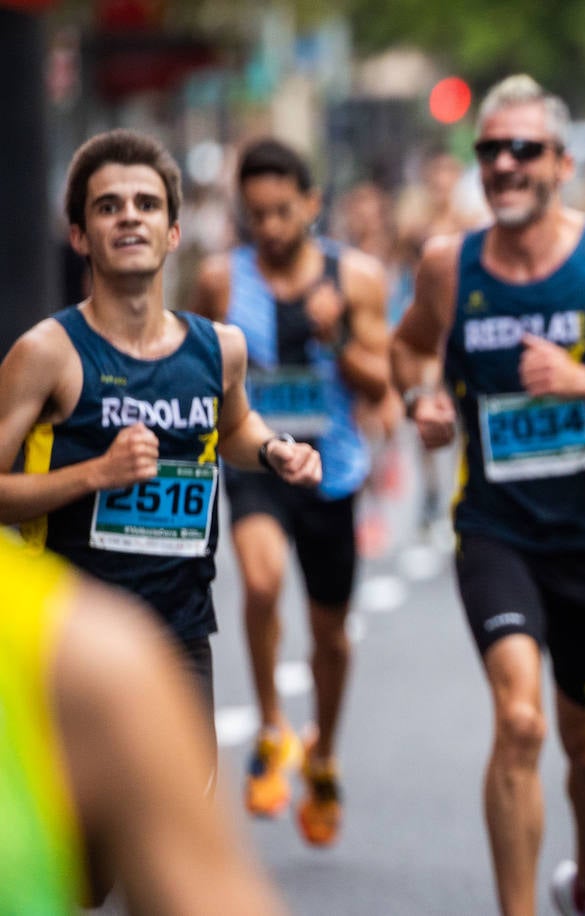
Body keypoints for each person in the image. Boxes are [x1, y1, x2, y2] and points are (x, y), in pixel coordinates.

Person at [391, 75, 585, 916]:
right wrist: (421, 396)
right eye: (491, 149)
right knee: (520, 722)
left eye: (525, 148)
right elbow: (410, 348)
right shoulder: (450, 266)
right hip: (495, 532)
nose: (505, 164)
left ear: (561, 163)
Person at [0, 128, 322, 736]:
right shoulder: (47, 353)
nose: (129, 217)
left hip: (181, 633)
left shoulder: (219, 348)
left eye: (147, 204)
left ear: (173, 232)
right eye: (108, 206)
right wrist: (98, 474)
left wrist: (275, 450)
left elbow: (233, 430)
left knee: (175, 821)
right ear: (79, 236)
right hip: (74, 641)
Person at [189, 137, 390, 846]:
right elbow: (193, 362)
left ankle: (325, 753)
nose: (270, 227)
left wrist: (337, 341)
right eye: (256, 214)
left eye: (282, 211)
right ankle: (273, 727)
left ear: (310, 202)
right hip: (257, 464)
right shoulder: (220, 280)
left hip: (332, 470)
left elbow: (382, 381)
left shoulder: (356, 277)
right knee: (262, 581)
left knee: (331, 633)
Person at [0, 530, 286, 915]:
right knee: (93, 888)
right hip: (101, 607)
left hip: (175, 623)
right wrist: (96, 476)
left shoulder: (84, 658)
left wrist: (270, 463)